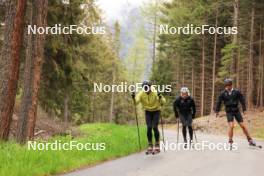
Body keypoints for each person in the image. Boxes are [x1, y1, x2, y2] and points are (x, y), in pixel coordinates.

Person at [215, 78, 256, 146]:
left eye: (228, 85)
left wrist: (244, 110)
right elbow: (219, 102)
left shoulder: (236, 91)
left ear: (231, 85)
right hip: (229, 111)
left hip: (236, 110)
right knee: (231, 126)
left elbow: (242, 100)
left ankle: (250, 140)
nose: (227, 87)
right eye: (226, 85)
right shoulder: (223, 93)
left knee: (243, 126)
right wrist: (217, 111)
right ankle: (230, 140)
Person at [131, 80, 166, 154]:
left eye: (147, 88)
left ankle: (157, 144)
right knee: (149, 127)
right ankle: (150, 144)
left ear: (150, 87)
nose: (146, 90)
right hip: (148, 111)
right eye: (145, 88)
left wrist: (160, 97)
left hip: (156, 110)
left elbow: (163, 102)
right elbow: (136, 102)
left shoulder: (155, 92)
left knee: (155, 127)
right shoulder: (141, 93)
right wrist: (133, 97)